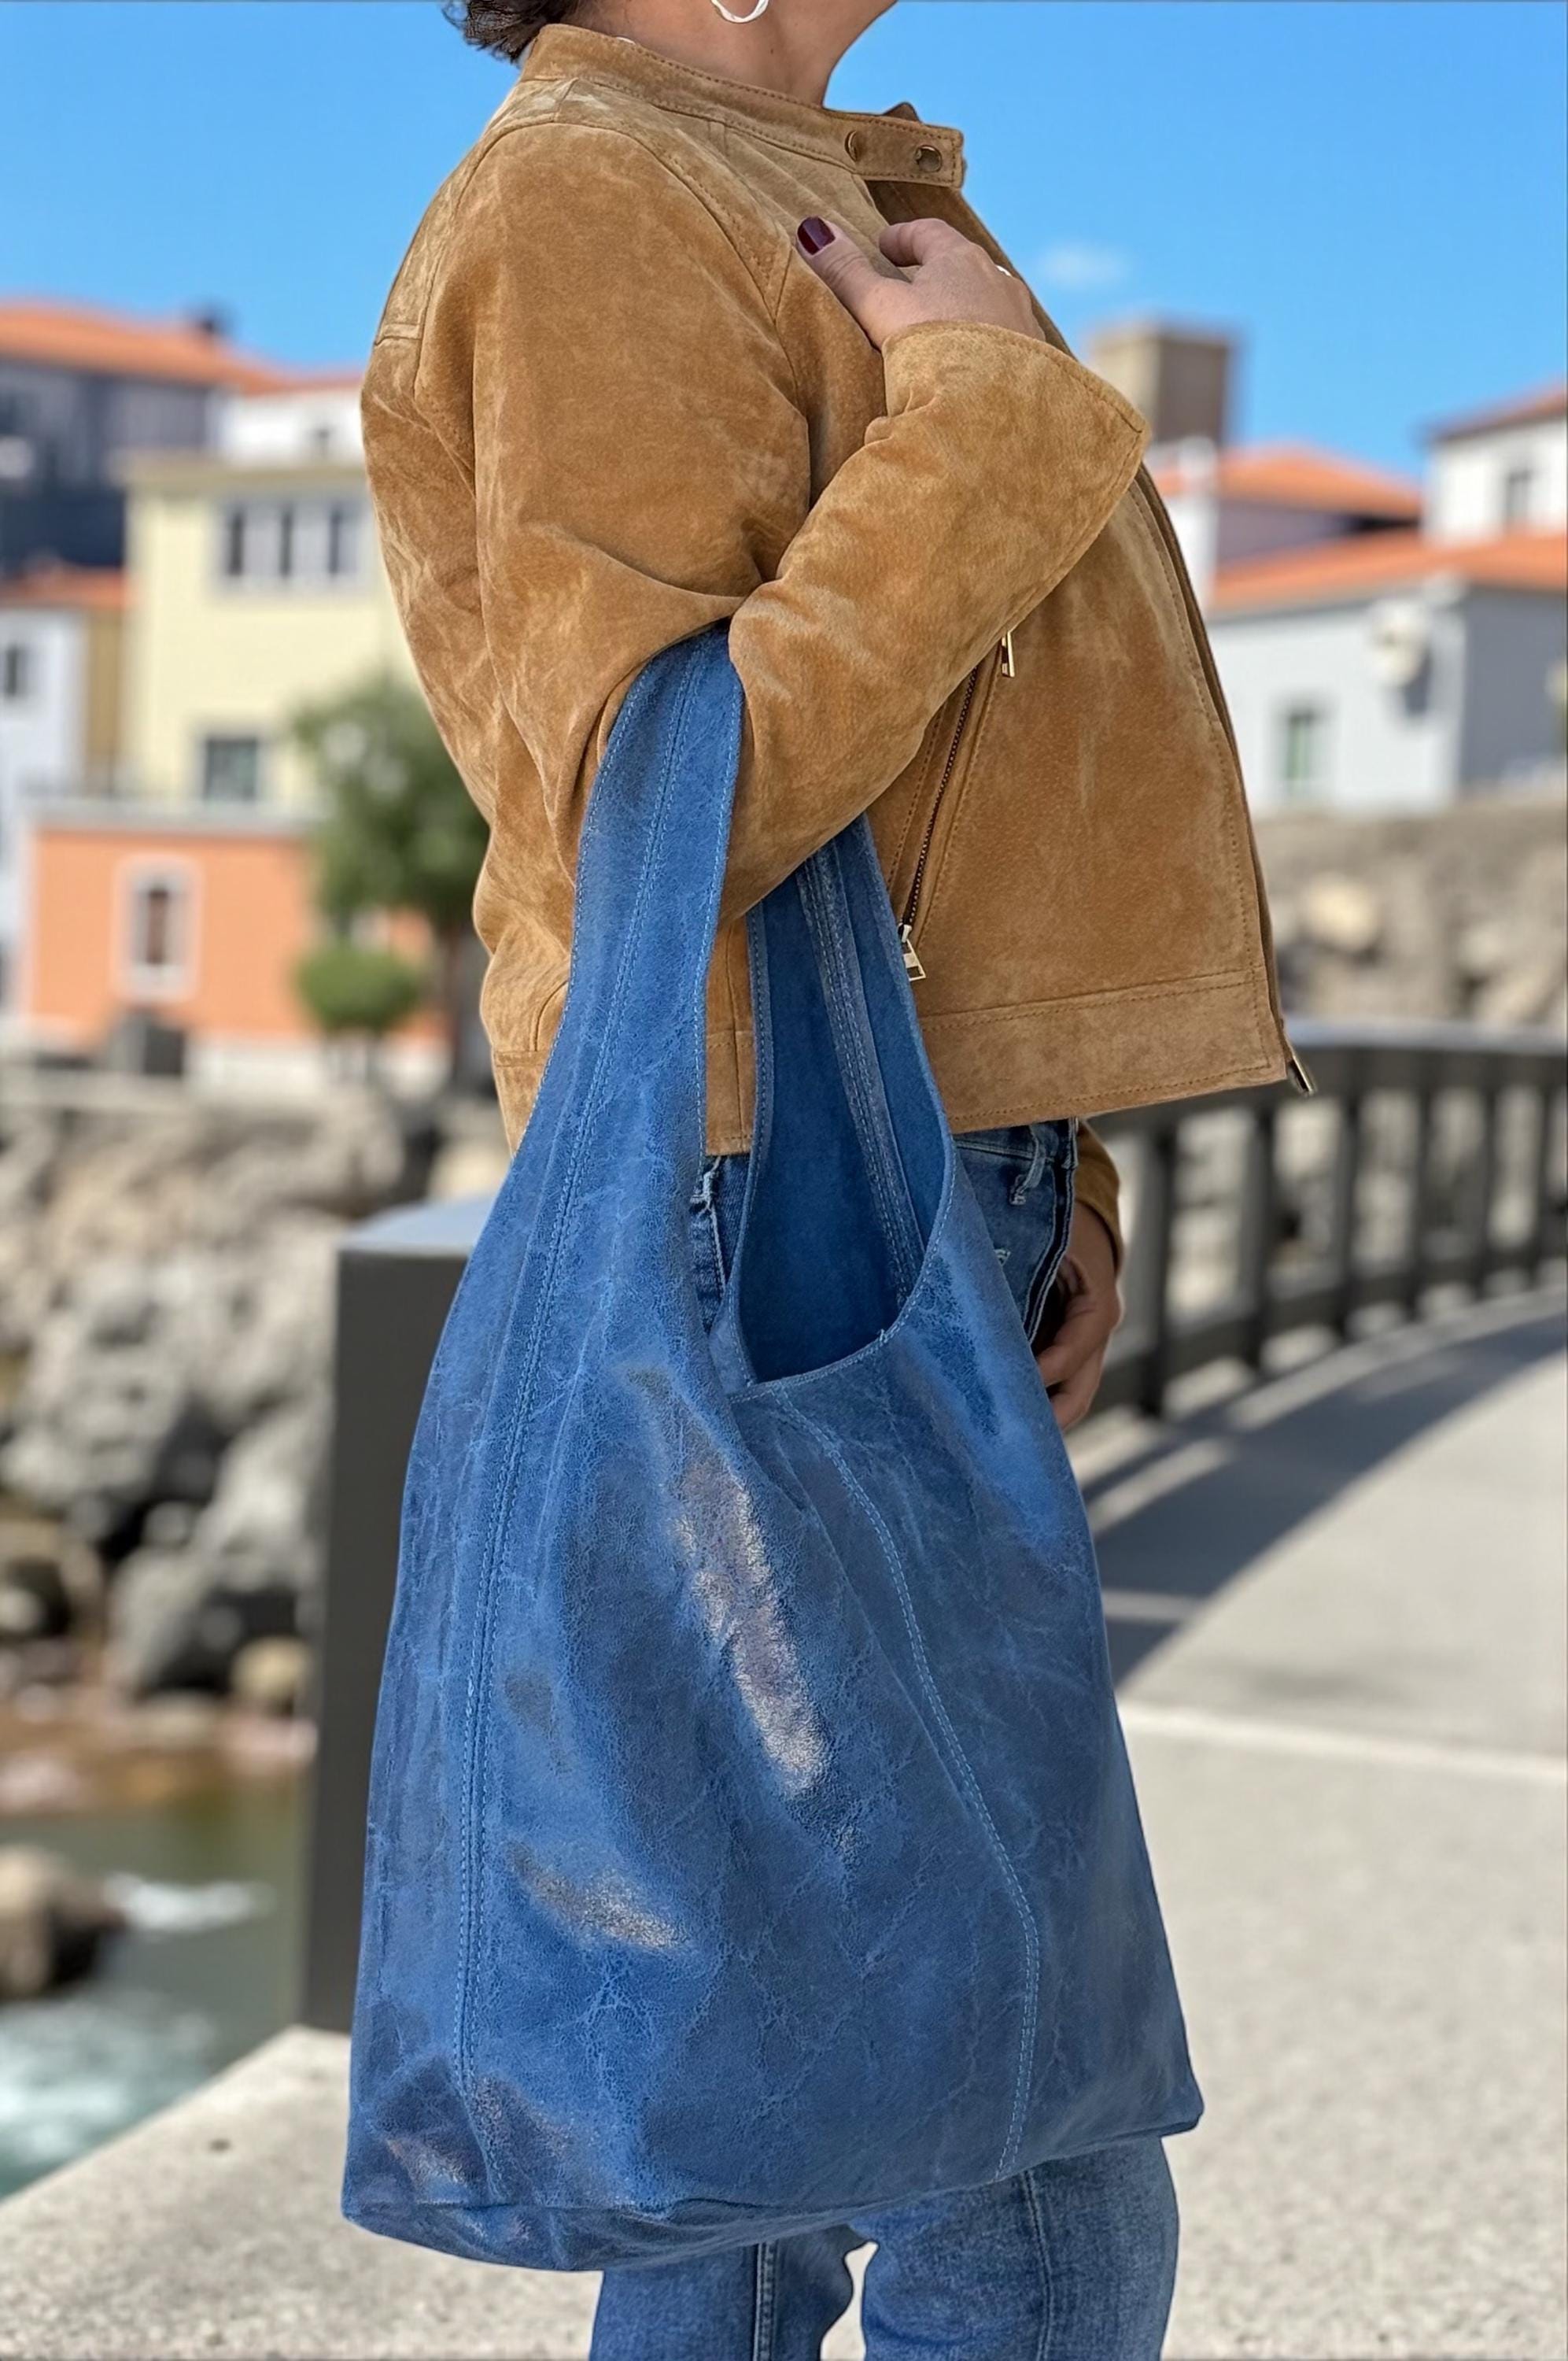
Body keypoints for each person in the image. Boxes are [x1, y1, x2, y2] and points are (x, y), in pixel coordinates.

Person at [360, 2, 1307, 2350]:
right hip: (765, 1203)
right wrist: (987, 419)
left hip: (862, 1178)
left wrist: (1048, 1152)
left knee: (774, 2078)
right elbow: (657, 783)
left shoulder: (783, 171)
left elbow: (960, 788)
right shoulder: (593, 194)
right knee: (1013, 2106)